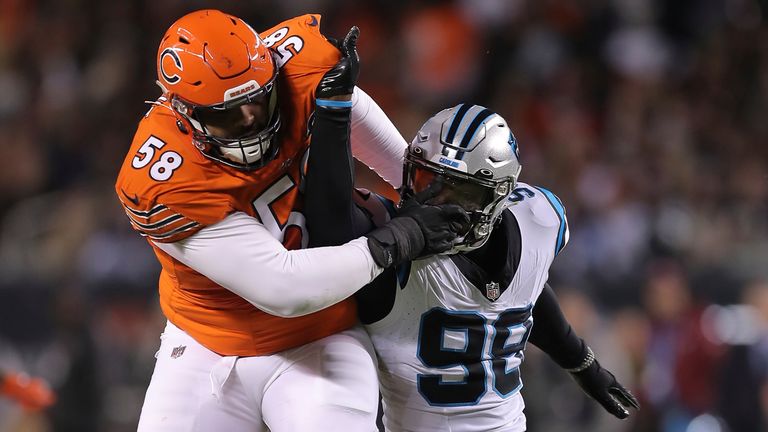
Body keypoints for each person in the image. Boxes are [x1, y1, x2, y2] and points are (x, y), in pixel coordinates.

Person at [114, 9, 467, 432]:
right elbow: (283, 287)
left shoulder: (297, 71)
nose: (250, 120)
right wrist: (398, 238)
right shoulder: (165, 176)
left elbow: (362, 121)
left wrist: (419, 190)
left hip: (321, 335)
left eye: (258, 101)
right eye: (227, 114)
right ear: (184, 112)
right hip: (206, 345)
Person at [305, 103, 640, 431]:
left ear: (499, 196)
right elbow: (327, 227)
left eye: (458, 192)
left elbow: (526, 291)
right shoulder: (393, 250)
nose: (435, 204)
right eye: (426, 181)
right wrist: (332, 111)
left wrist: (582, 363)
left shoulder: (536, 222)